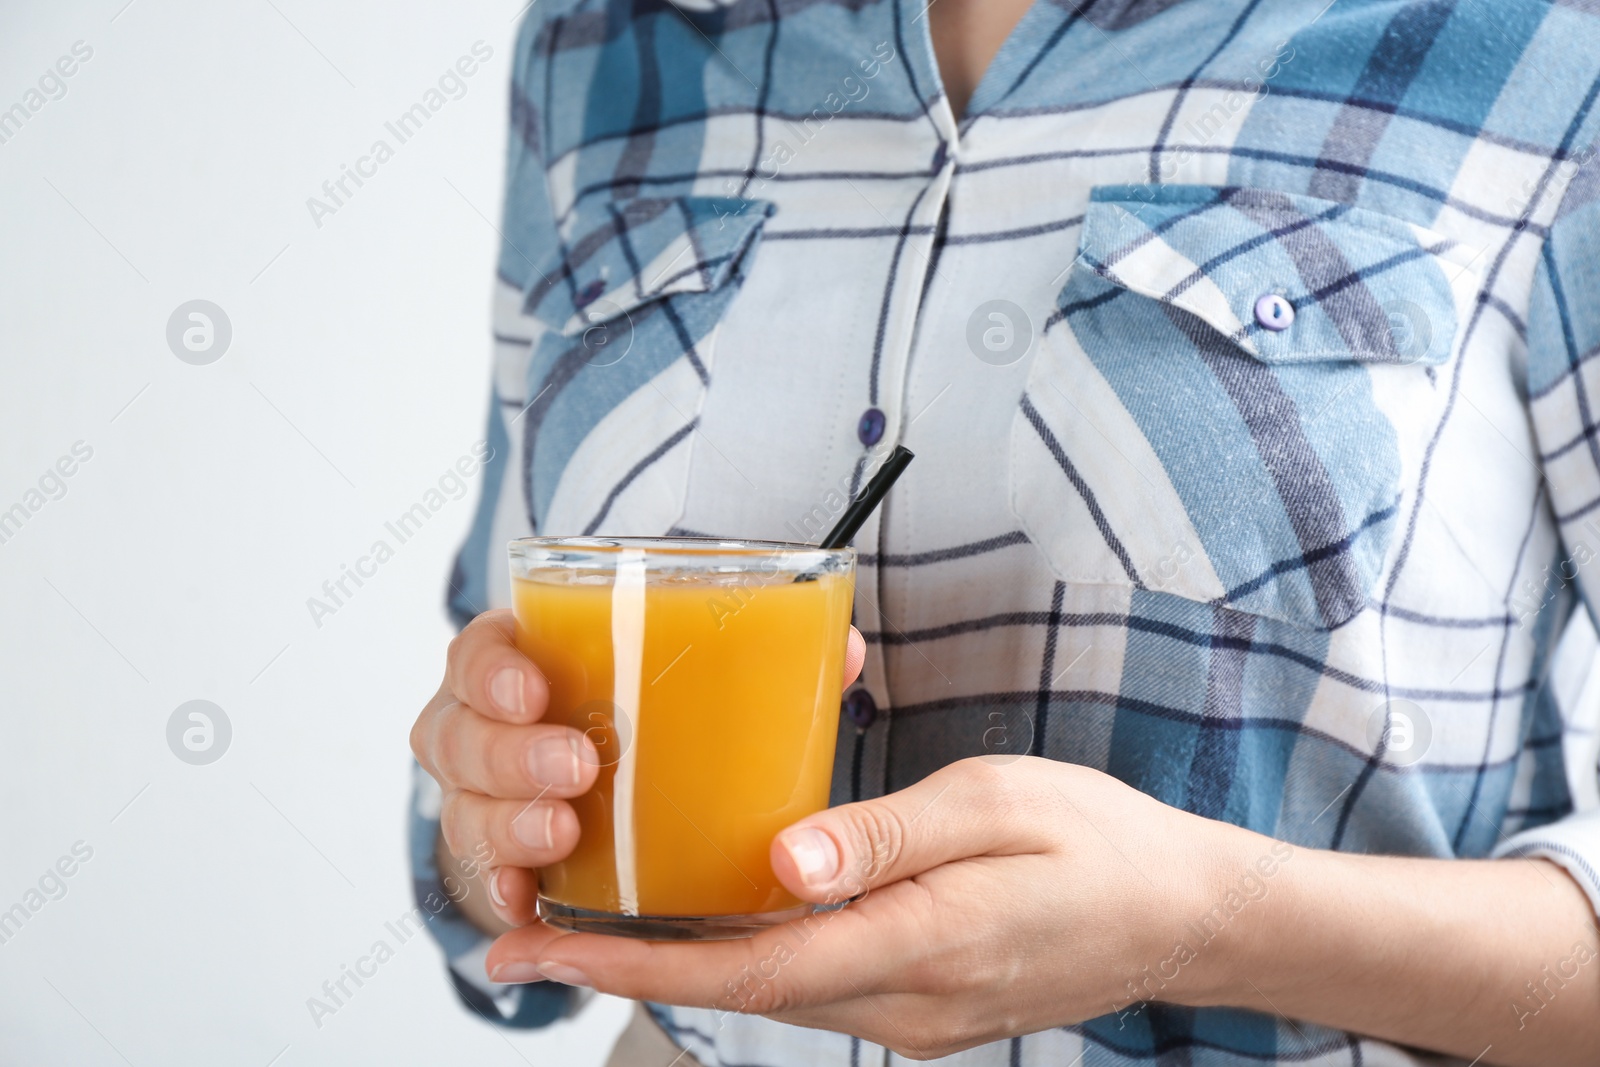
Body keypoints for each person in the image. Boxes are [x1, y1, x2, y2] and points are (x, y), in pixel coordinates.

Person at [408, 0, 1600, 1063]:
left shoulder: (1547, 54)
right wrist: (493, 812)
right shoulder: (596, 47)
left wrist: (1214, 926)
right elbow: (471, 844)